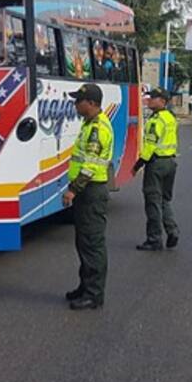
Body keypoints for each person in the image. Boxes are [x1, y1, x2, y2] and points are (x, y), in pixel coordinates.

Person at [62, 83, 114, 311]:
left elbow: (90, 166)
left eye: (79, 100)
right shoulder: (89, 124)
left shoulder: (97, 129)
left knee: (92, 243)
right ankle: (85, 287)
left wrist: (73, 189)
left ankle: (94, 295)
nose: (75, 104)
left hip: (91, 190)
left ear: (91, 103)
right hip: (87, 191)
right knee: (83, 242)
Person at [133, 87, 179, 251]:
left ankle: (154, 239)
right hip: (170, 163)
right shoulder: (170, 117)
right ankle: (172, 230)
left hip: (156, 164)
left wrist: (138, 165)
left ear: (163, 101)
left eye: (153, 98)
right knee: (164, 200)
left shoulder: (156, 120)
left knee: (152, 201)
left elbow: (150, 146)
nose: (150, 100)